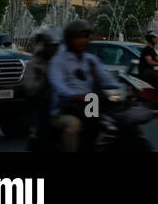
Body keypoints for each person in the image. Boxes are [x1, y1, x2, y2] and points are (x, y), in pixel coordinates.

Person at [48, 20, 122, 152]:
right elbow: (58, 84)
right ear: (69, 39)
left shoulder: (91, 60)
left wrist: (124, 89)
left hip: (89, 106)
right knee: (74, 125)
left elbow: (107, 79)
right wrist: (75, 95)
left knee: (110, 124)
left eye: (85, 37)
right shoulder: (58, 61)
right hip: (64, 109)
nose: (82, 40)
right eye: (77, 37)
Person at [20, 26, 61, 150]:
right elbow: (30, 89)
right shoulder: (34, 65)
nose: (54, 48)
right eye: (51, 45)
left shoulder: (67, 62)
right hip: (46, 110)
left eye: (57, 45)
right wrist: (46, 78)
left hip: (68, 106)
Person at [138, 30, 158, 102]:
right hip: (145, 71)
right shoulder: (147, 49)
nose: (157, 39)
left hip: (150, 70)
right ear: (150, 39)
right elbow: (150, 62)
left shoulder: (152, 49)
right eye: (155, 38)